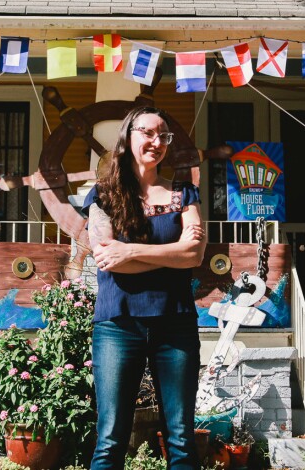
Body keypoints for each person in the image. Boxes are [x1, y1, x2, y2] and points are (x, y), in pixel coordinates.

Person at [82, 106, 207, 470]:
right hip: (118, 324)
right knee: (111, 436)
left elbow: (195, 253)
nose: (157, 142)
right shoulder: (103, 196)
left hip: (176, 323)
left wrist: (131, 250)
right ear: (128, 136)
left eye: (163, 135)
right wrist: (172, 254)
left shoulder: (185, 193)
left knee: (181, 437)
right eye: (148, 133)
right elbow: (107, 259)